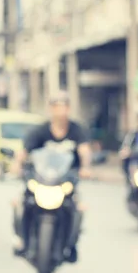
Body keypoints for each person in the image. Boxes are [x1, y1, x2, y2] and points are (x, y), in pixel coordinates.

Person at [11, 90, 92, 262]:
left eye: (63, 107)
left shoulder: (76, 130)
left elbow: (84, 151)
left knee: (76, 207)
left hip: (65, 181)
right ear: (51, 109)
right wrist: (17, 165)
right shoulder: (40, 131)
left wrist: (85, 167)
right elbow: (24, 151)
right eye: (56, 107)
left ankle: (71, 244)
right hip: (42, 180)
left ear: (68, 109)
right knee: (23, 203)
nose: (60, 111)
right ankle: (22, 241)